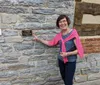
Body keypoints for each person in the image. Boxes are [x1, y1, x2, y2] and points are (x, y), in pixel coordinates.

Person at [33, 14, 84, 85]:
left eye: (64, 21)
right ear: (58, 24)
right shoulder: (59, 36)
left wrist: (67, 54)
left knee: (68, 82)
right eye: (60, 22)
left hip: (71, 61)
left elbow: (79, 50)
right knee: (64, 79)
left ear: (67, 22)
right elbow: (50, 43)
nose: (62, 23)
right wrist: (38, 39)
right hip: (61, 60)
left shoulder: (73, 33)